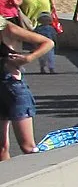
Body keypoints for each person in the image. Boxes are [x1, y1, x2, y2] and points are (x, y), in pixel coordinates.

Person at [0, 21, 56, 160]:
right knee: (1, 147)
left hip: (13, 89)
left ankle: (42, 177)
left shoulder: (8, 29)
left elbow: (48, 42)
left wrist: (28, 58)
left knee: (28, 147)